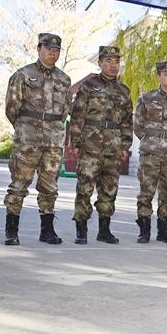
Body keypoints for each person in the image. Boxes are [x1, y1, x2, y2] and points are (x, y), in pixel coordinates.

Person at [3, 33, 72, 246]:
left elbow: (65, 110)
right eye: (48, 48)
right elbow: (12, 108)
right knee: (19, 183)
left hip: (53, 141)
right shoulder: (23, 74)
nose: (53, 52)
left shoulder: (64, 79)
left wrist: (53, 129)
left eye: (56, 49)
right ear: (38, 48)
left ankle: (47, 230)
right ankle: (11, 230)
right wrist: (25, 128)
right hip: (28, 139)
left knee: (50, 186)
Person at [68, 46, 133, 245]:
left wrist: (125, 146)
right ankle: (81, 230)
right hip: (90, 145)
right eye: (108, 61)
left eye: (116, 62)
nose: (113, 65)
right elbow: (77, 115)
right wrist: (75, 142)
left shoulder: (123, 91)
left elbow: (127, 121)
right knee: (84, 187)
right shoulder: (88, 86)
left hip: (113, 147)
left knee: (109, 189)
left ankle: (104, 230)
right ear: (100, 63)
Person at [133, 60, 167, 244]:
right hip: (150, 153)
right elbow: (138, 125)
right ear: (158, 77)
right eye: (166, 74)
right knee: (146, 191)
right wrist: (151, 141)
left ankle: (164, 231)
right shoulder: (147, 98)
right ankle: (144, 230)